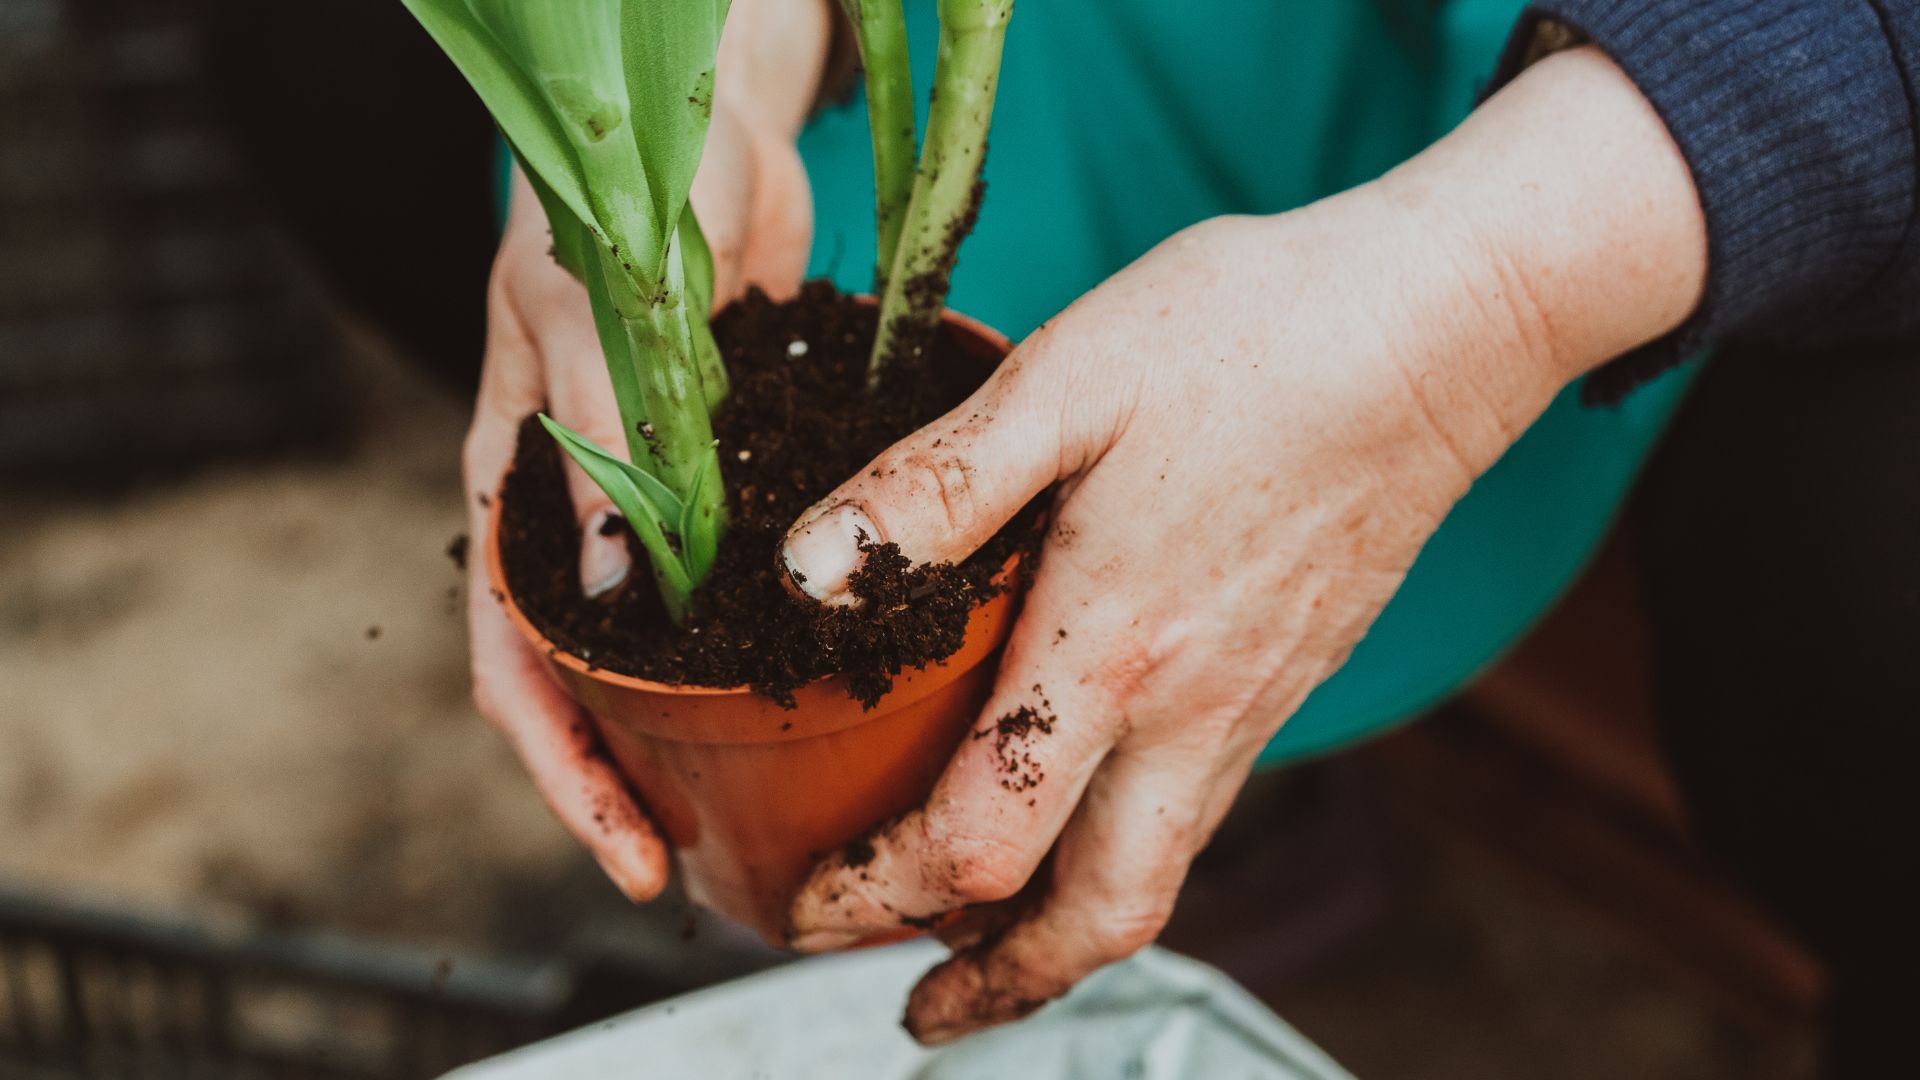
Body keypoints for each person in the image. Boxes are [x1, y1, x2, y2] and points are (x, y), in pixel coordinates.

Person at [213, 0, 1918, 1070]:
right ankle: (1121, 774)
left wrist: (1481, 295)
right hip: (1116, 48)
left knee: (1869, 595)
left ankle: (1182, 751)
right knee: (344, 51)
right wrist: (695, 76)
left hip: (1677, 108)